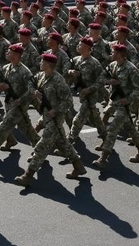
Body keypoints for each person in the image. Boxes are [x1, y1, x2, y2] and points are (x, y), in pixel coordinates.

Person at [14, 53, 86, 186]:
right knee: (63, 142)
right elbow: (31, 82)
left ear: (49, 65)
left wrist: (56, 110)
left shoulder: (58, 80)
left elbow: (69, 100)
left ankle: (28, 175)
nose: (40, 63)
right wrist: (33, 91)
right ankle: (78, 166)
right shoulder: (41, 76)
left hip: (56, 118)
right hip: (46, 115)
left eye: (42, 62)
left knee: (42, 145)